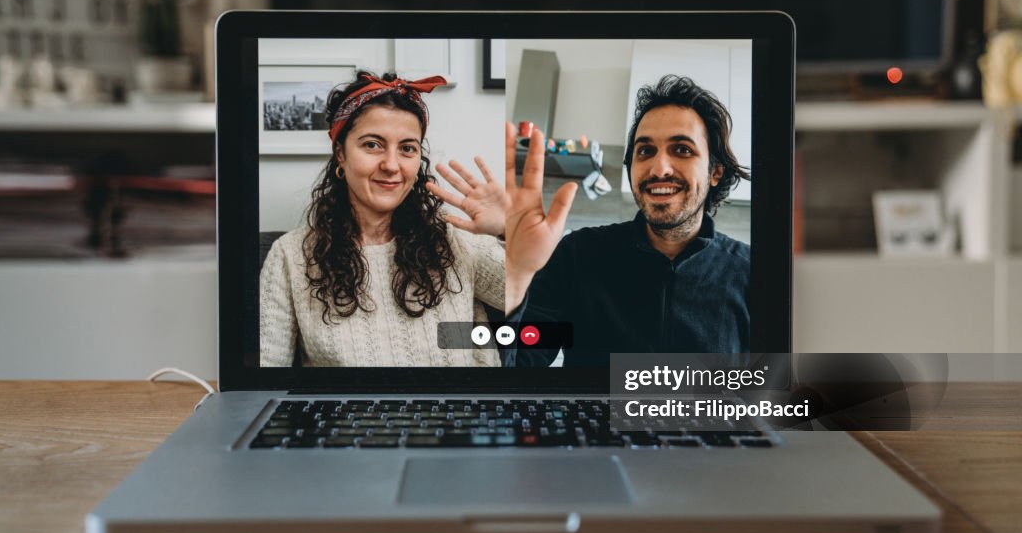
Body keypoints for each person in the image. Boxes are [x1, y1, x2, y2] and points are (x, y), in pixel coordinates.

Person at [260, 71, 506, 367]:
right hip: (343, 413)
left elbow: (537, 300)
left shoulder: (454, 237)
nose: (391, 165)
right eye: (372, 145)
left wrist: (510, 230)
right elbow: (266, 376)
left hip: (460, 411)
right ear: (341, 153)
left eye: (407, 148)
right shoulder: (290, 256)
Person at [505, 75, 751, 366]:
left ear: (715, 172)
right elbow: (516, 369)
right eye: (645, 151)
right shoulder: (577, 255)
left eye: (682, 149)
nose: (659, 169)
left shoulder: (751, 274)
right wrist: (517, 273)